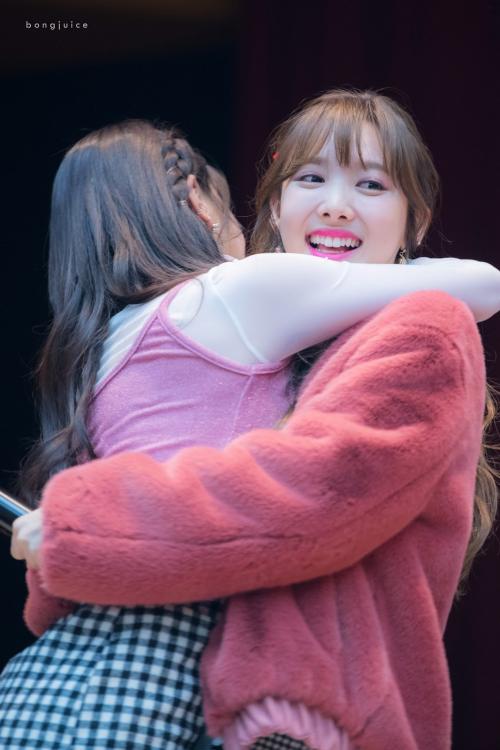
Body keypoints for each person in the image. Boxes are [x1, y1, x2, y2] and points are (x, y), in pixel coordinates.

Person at [6, 91, 500, 750]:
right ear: (271, 207)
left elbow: (319, 490)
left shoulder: (424, 322)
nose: (335, 204)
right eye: (310, 178)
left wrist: (82, 527)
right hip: (176, 670)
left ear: (417, 220)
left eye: (371, 184)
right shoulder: (267, 324)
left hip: (269, 701)